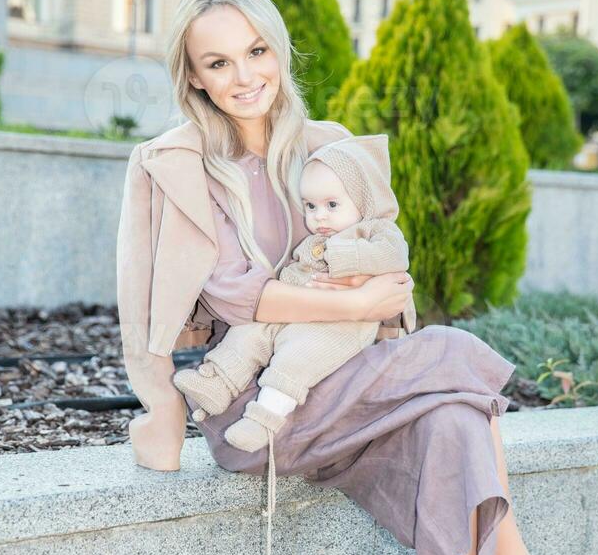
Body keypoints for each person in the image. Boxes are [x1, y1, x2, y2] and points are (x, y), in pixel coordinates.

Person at [115, 0, 598, 555]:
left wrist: (375, 296)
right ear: (193, 75)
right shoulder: (180, 164)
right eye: (219, 62)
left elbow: (386, 265)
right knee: (454, 355)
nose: (244, 76)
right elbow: (236, 295)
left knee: (455, 422)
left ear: (278, 48)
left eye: (257, 50)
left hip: (350, 378)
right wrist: (361, 298)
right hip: (254, 407)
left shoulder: (330, 144)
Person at [171, 132, 417, 456]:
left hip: (342, 327)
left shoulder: (375, 231)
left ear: (364, 199)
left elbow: (394, 256)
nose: (319, 216)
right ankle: (217, 381)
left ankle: (264, 419)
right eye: (310, 206)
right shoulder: (318, 237)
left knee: (297, 357)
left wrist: (340, 257)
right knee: (249, 333)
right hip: (299, 311)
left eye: (332, 204)